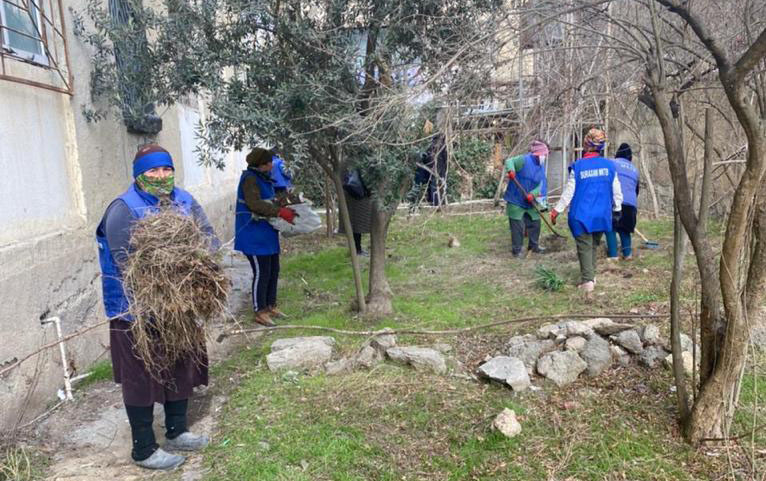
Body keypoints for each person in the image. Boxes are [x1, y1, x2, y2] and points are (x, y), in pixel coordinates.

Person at [96, 144, 217, 470]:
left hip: (179, 307)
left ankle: (177, 431)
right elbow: (126, 262)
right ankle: (144, 449)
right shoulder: (123, 208)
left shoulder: (184, 200)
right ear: (139, 175)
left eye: (166, 169)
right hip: (135, 310)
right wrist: (171, 274)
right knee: (141, 375)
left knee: (181, 364)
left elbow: (208, 236)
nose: (161, 176)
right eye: (153, 170)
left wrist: (201, 264)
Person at [550, 128, 623, 294]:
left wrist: (556, 210)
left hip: (581, 215)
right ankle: (592, 276)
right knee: (593, 245)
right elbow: (617, 190)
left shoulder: (579, 166)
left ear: (585, 144)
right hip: (602, 215)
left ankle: (588, 282)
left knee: (584, 246)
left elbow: (569, 192)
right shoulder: (610, 166)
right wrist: (617, 209)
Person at [235, 147, 298, 327]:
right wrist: (279, 212)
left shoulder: (264, 178)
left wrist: (286, 203)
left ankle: (271, 305)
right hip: (253, 233)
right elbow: (254, 204)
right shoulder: (249, 179)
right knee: (261, 272)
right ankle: (260, 310)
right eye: (269, 162)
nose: (272, 165)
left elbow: (270, 199)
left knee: (273, 269)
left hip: (266, 233)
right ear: (260, 164)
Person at [504, 140, 549, 257]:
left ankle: (534, 246)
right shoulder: (524, 160)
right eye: (542, 154)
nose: (544, 157)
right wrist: (511, 170)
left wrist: (533, 194)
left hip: (530, 201)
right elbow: (509, 161)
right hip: (516, 199)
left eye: (545, 155)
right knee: (518, 226)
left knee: (535, 222)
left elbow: (541, 185)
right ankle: (517, 250)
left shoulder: (540, 167)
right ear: (536, 154)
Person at [605, 142, 640, 260]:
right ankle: (627, 254)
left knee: (610, 228)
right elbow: (636, 190)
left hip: (615, 202)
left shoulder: (611, 163)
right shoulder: (635, 170)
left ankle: (613, 255)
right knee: (625, 229)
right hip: (631, 204)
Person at [339, 169, 373, 256]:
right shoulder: (357, 164)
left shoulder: (345, 165)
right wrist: (369, 191)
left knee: (355, 224)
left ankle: (356, 249)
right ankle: (357, 250)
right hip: (358, 194)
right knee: (357, 224)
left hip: (351, 193)